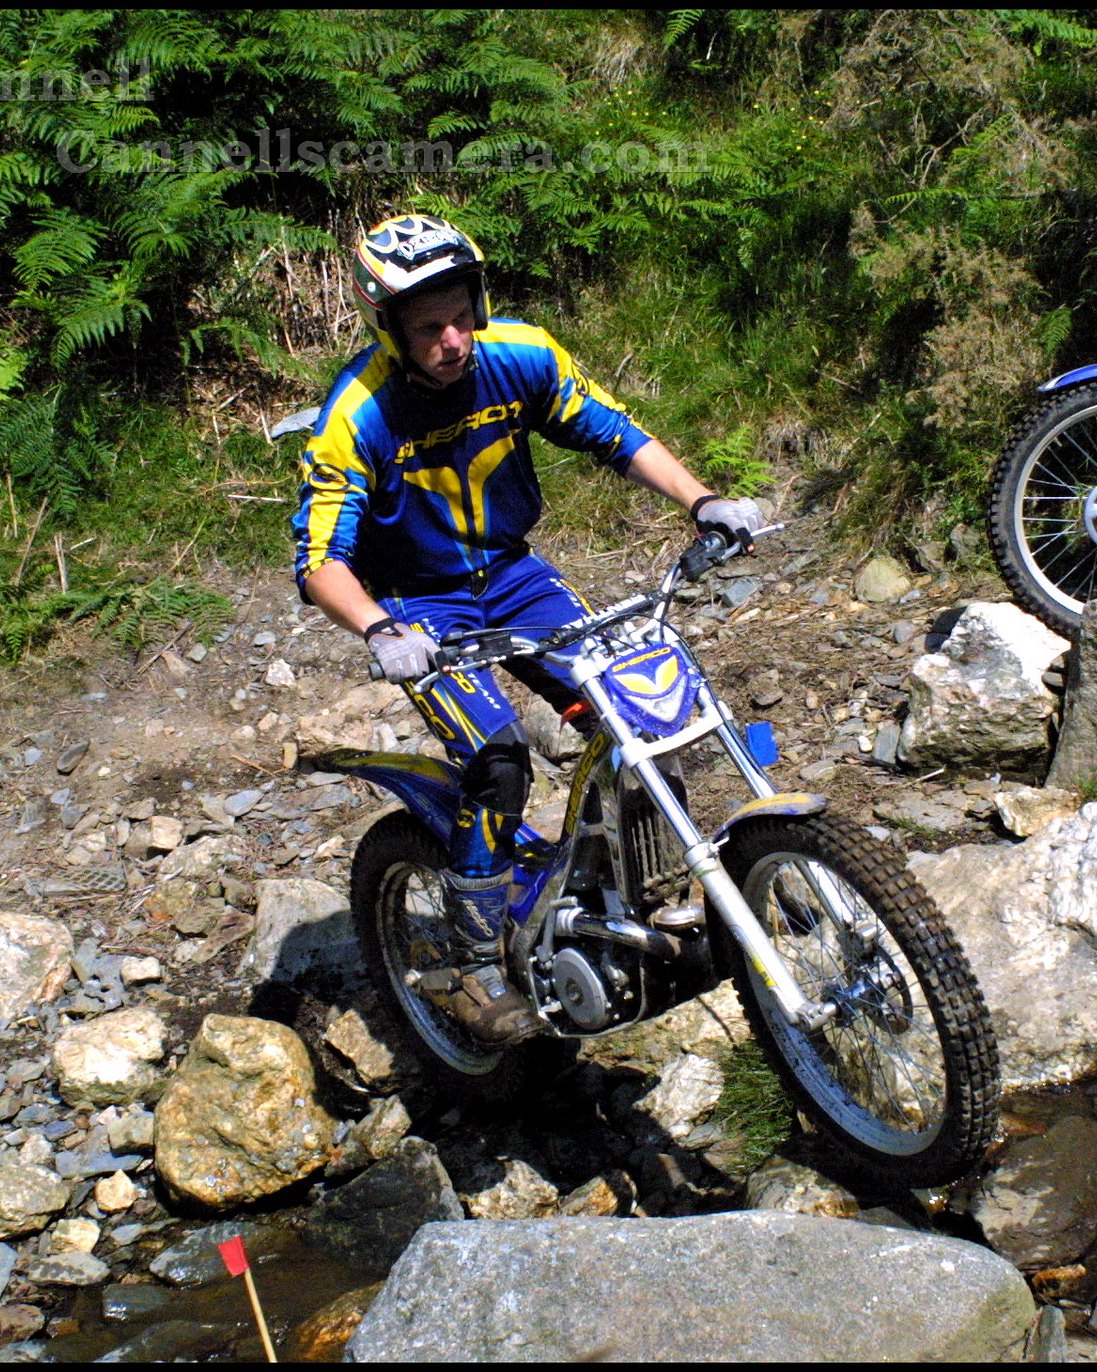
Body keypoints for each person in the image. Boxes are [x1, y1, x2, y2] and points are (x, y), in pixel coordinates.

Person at [291, 213, 764, 1044]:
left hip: (514, 576)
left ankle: (643, 889)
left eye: (461, 317)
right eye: (429, 328)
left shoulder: (522, 355)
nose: (453, 341)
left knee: (634, 714)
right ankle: (474, 962)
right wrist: (378, 630)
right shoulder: (356, 414)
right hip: (418, 605)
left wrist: (702, 501)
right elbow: (320, 559)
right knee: (499, 761)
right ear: (390, 329)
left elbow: (614, 432)